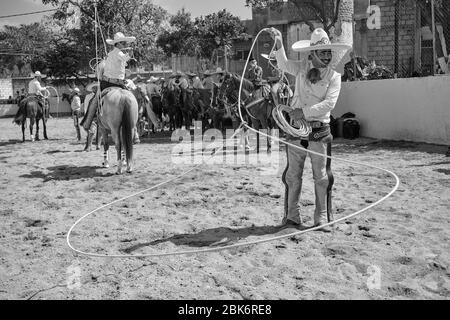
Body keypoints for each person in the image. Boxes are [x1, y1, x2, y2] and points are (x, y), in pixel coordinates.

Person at [270, 27, 351, 232]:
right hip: (296, 129)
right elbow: (283, 64)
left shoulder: (334, 76)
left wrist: (302, 112)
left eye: (328, 52)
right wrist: (279, 43)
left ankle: (322, 217)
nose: (327, 56)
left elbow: (328, 105)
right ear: (312, 54)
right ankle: (292, 217)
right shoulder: (301, 68)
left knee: (322, 175)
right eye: (322, 52)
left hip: (319, 130)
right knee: (292, 175)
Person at [82, 32, 136, 131]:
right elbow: (125, 58)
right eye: (124, 43)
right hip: (118, 83)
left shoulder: (111, 54)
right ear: (118, 44)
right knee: (131, 97)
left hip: (109, 82)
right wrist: (130, 54)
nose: (126, 45)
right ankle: (134, 126)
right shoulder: (118, 52)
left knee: (94, 100)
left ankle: (88, 122)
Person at [82, 82, 100, 151]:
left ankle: (98, 145)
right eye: (94, 88)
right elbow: (86, 107)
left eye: (96, 87)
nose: (95, 89)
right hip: (91, 115)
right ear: (92, 89)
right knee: (91, 131)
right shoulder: (88, 96)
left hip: (100, 115)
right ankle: (89, 146)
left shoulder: (101, 96)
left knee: (100, 131)